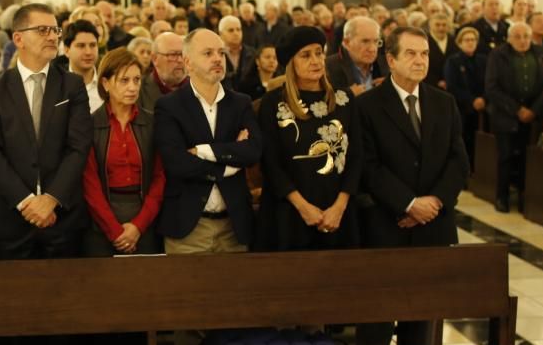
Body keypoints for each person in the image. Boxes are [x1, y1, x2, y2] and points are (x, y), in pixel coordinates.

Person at [357, 27, 469, 345]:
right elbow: (368, 166)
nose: (420, 61)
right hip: (385, 226)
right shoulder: (368, 106)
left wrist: (432, 203)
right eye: (411, 54)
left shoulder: (443, 103)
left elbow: (458, 161)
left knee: (423, 321)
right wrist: (406, 204)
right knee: (377, 319)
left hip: (432, 227)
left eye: (424, 54)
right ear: (390, 60)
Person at [0, 3, 92, 261]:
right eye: (42, 30)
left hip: (62, 218)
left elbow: (79, 146)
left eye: (54, 30)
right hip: (10, 218)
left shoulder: (71, 85)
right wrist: (27, 202)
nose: (52, 36)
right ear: (18, 38)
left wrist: (51, 199)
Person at [154, 28, 262, 254]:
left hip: (234, 225)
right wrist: (230, 160)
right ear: (188, 62)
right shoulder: (169, 106)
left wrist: (204, 151)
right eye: (208, 53)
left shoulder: (240, 103)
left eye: (221, 53)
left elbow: (252, 152)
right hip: (189, 226)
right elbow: (177, 163)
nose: (217, 59)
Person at [258, 26, 360, 252]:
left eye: (319, 52)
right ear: (291, 62)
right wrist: (303, 207)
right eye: (306, 55)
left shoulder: (344, 99)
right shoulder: (273, 103)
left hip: (338, 212)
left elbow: (357, 157)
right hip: (288, 213)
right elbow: (271, 164)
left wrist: (339, 206)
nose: (315, 60)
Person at [82, 47, 165, 256]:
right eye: (124, 80)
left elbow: (160, 177)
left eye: (137, 80)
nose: (132, 87)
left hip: (145, 215)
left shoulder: (152, 123)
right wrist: (115, 231)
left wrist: (138, 226)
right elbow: (89, 184)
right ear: (105, 83)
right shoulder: (90, 125)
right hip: (101, 219)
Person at [485, 22, 543, 212]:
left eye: (526, 36)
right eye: (517, 36)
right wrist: (517, 110)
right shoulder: (498, 55)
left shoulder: (541, 53)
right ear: (509, 38)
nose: (523, 40)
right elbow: (492, 87)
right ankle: (502, 196)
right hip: (506, 114)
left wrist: (534, 110)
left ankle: (526, 197)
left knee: (528, 157)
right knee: (506, 156)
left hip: (533, 115)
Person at [444, 26, 487, 169]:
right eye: (467, 40)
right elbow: (452, 86)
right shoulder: (453, 61)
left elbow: (490, 82)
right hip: (461, 108)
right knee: (463, 141)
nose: (470, 42)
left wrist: (483, 99)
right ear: (459, 42)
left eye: (473, 39)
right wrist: (472, 100)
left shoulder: (483, 60)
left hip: (482, 107)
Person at [326, 17, 389, 95]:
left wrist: (390, 88)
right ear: (347, 42)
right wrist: (348, 95)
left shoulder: (387, 64)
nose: (372, 49)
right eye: (365, 41)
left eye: (376, 41)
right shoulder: (328, 67)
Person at [140, 31, 188, 111]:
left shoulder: (198, 87)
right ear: (155, 59)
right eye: (173, 55)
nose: (180, 60)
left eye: (182, 54)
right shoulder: (139, 90)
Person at [63, 20, 102, 112]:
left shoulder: (107, 83)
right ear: (66, 50)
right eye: (81, 46)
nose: (88, 52)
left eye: (93, 45)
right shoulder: (56, 84)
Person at [219, 15, 255, 91]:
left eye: (238, 29)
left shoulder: (252, 53)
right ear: (221, 34)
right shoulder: (216, 55)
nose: (236, 33)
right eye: (231, 30)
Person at [425, 12, 457, 88]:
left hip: (452, 86)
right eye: (437, 25)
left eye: (444, 25)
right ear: (430, 25)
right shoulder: (424, 41)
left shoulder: (454, 41)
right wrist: (436, 82)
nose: (441, 28)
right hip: (430, 86)